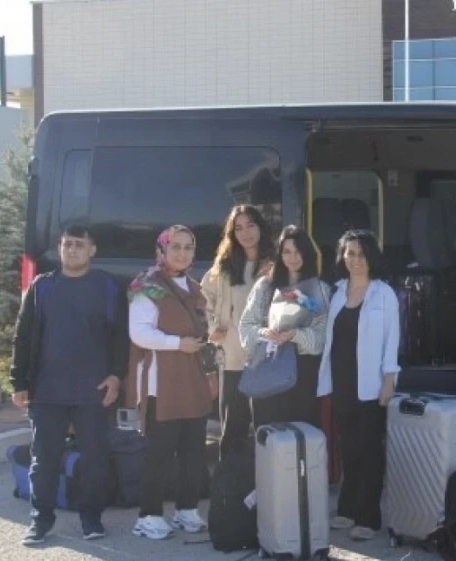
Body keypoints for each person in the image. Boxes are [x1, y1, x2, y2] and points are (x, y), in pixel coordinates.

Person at [10, 224, 128, 546]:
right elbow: (23, 337)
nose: (71, 250)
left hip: (94, 390)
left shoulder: (107, 286)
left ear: (92, 250)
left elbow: (120, 338)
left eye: (79, 244)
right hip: (47, 391)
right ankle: (40, 520)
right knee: (44, 460)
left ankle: (91, 518)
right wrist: (19, 381)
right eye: (66, 244)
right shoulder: (42, 287)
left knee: (95, 459)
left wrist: (117, 376)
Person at [125, 225, 219, 541]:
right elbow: (139, 333)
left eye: (188, 247)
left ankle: (186, 510)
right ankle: (149, 516)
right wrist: (177, 344)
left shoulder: (195, 289)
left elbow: (204, 337)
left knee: (193, 453)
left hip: (192, 384)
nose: (182, 253)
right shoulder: (147, 286)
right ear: (162, 250)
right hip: (160, 387)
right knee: (159, 456)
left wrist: (211, 373)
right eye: (175, 247)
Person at [317, 229, 400, 541]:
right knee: (348, 449)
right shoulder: (336, 292)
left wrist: (389, 381)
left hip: (371, 385)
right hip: (341, 384)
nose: (355, 260)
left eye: (361, 254)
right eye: (349, 253)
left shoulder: (384, 294)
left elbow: (393, 340)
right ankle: (347, 509)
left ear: (371, 257)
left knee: (369, 451)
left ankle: (368, 517)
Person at [201, 205, 275, 458]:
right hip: (233, 359)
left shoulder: (275, 265)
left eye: (250, 225)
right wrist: (213, 328)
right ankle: (231, 495)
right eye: (238, 228)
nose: (245, 233)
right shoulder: (223, 267)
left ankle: (267, 491)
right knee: (232, 431)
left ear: (261, 227)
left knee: (267, 432)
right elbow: (204, 302)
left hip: (266, 360)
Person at [239, 225, 329, 428]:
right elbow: (246, 326)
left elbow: (321, 336)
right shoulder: (265, 286)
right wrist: (264, 333)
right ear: (279, 254)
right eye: (287, 251)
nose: (293, 257)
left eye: (298, 251)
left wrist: (294, 335)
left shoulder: (319, 289)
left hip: (302, 376)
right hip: (267, 370)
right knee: (269, 438)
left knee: (300, 439)